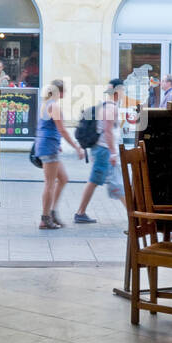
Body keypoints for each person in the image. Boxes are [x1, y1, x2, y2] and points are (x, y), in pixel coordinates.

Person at [74, 77, 126, 223]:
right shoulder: (111, 108)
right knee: (110, 182)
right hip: (104, 151)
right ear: (117, 91)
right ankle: (133, 214)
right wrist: (113, 153)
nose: (123, 94)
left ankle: (81, 212)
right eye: (122, 90)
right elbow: (108, 132)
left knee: (100, 181)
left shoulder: (106, 106)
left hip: (102, 150)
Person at [33, 80, 83, 229]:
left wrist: (57, 144)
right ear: (59, 92)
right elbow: (62, 130)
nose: (65, 93)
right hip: (48, 147)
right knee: (49, 184)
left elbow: (47, 127)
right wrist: (77, 147)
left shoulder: (46, 104)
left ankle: (52, 212)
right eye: (64, 91)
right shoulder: (53, 106)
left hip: (48, 145)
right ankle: (45, 218)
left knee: (63, 178)